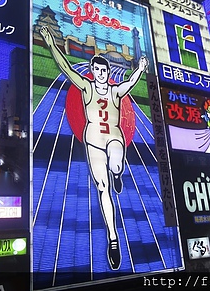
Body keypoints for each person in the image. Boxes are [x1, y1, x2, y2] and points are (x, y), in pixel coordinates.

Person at [40, 25, 148, 270]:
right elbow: (66, 68)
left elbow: (130, 82)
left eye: (103, 69)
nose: (99, 73)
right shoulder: (86, 87)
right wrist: (50, 43)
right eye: (96, 69)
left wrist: (140, 68)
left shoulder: (115, 91)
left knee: (116, 164)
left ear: (107, 72)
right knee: (102, 187)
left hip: (114, 138)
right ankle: (113, 238)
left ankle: (118, 172)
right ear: (92, 71)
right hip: (93, 142)